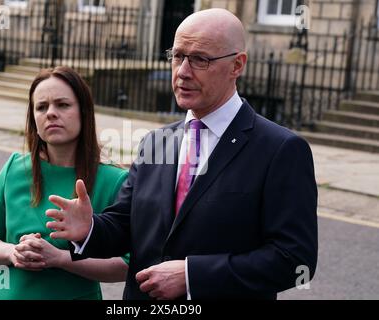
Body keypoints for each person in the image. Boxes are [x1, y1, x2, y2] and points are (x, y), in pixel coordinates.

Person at [46, 9, 318, 299]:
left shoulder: (281, 150)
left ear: (237, 65)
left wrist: (192, 276)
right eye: (177, 56)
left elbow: (294, 259)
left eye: (200, 59)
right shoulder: (156, 141)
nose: (183, 72)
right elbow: (126, 225)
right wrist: (89, 229)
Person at [0, 66, 129, 300]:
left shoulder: (114, 180)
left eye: (63, 105)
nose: (51, 113)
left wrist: (60, 258)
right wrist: (12, 252)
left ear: (84, 112)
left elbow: (127, 265)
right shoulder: (15, 168)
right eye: (41, 107)